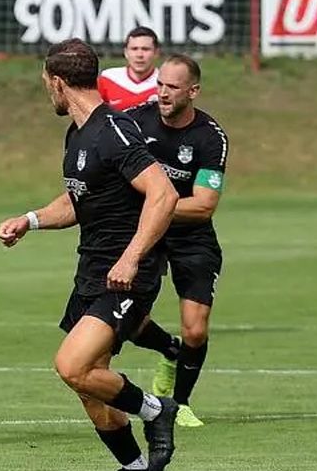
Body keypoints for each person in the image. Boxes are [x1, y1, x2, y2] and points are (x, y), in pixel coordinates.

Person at [0, 38, 178, 471]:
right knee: (88, 385)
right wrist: (31, 219)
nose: (47, 91)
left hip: (128, 273)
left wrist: (132, 257)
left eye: (46, 83)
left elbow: (163, 193)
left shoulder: (113, 131)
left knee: (71, 365)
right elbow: (78, 200)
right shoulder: (78, 133)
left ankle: (157, 410)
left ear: (57, 83)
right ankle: (134, 468)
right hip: (92, 269)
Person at [126, 54, 230, 429]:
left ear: (193, 91)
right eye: (160, 85)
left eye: (172, 87)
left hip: (192, 237)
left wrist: (157, 207)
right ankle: (169, 350)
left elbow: (204, 205)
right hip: (143, 234)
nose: (163, 93)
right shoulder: (136, 121)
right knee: (128, 321)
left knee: (196, 329)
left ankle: (179, 403)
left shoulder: (210, 137)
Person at [99, 26, 160, 111]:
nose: (139, 55)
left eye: (145, 49)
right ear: (126, 52)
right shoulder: (108, 78)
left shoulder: (165, 82)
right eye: (134, 49)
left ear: (156, 53)